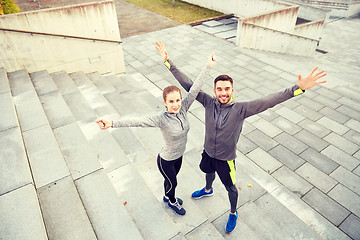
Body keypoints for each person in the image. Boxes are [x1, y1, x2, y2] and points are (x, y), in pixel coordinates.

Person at [155, 41, 327, 233]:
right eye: (219, 89)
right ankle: (208, 189)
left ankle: (233, 212)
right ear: (214, 91)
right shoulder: (208, 102)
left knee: (231, 188)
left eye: (227, 89)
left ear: (232, 90)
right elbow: (189, 84)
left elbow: (269, 100)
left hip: (226, 159)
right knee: (207, 170)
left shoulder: (242, 109)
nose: (223, 93)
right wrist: (168, 62)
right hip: (208, 153)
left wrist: (298, 88)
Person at [96, 52, 216, 215]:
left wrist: (208, 66)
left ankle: (168, 196)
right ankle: (172, 201)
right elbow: (137, 121)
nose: (176, 104)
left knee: (170, 181)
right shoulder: (161, 119)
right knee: (173, 182)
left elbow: (195, 88)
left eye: (177, 100)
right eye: (171, 101)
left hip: (178, 157)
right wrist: (112, 123)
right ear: (165, 103)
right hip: (166, 160)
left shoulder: (184, 109)